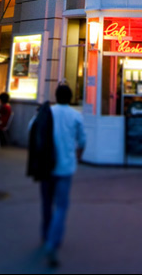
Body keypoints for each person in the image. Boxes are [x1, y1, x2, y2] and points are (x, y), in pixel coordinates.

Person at [29, 83, 86, 268]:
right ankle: (53, 243)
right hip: (65, 167)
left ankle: (46, 235)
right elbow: (82, 141)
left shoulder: (47, 112)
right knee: (61, 206)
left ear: (55, 95)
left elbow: (31, 128)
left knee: (46, 202)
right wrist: (78, 155)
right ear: (70, 98)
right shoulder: (76, 115)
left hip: (46, 166)